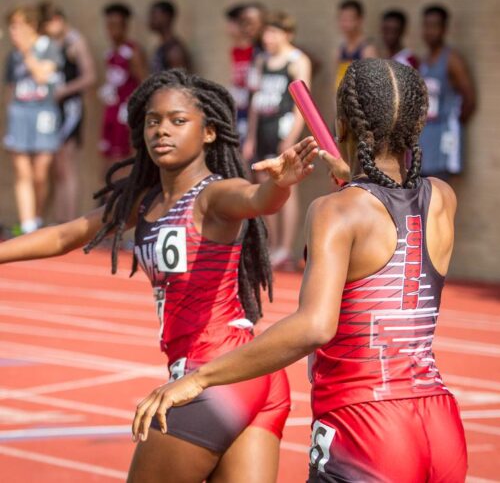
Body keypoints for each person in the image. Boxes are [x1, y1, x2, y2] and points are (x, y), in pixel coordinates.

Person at [133, 59, 467, 483]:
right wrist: (358, 181)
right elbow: (394, 210)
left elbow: (314, 326)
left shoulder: (335, 210)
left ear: (341, 125)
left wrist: (200, 379)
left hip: (365, 428)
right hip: (440, 424)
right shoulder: (443, 197)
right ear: (419, 122)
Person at [0, 69, 319, 482]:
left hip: (216, 373)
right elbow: (67, 233)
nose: (162, 131)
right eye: (153, 121)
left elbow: (257, 200)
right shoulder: (146, 202)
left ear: (208, 133)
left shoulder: (213, 195)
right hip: (250, 377)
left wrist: (279, 186)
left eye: (177, 120)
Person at [243, 11, 312, 271]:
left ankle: (285, 246)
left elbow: (302, 105)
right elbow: (254, 103)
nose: (268, 38)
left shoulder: (297, 60)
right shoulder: (261, 60)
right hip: (262, 128)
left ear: (287, 34)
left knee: (288, 186)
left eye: (274, 33)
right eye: (266, 33)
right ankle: (272, 246)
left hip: (282, 130)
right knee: (264, 182)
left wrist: (292, 137)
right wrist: (249, 136)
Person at [3, 6, 62, 234]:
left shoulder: (49, 47)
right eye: (11, 26)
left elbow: (41, 75)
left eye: (18, 25)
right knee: (22, 171)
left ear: (31, 25)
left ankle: (37, 217)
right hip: (19, 113)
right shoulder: (12, 55)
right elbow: (10, 89)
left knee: (40, 172)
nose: (13, 31)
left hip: (43, 113)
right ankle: (27, 224)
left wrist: (27, 52)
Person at [39, 1, 96, 222]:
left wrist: (64, 91)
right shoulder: (48, 43)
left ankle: (69, 220)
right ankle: (61, 219)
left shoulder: (75, 40)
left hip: (70, 108)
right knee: (57, 169)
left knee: (67, 166)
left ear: (58, 20)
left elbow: (89, 76)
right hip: (51, 111)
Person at [419, 4, 476, 178]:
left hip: (442, 137)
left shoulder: (452, 59)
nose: (430, 31)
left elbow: (469, 99)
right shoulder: (425, 60)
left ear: (444, 29)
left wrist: (451, 124)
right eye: (426, 26)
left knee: (439, 188)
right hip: (424, 137)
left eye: (435, 26)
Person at [98, 2, 147, 182]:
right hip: (111, 110)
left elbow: (144, 82)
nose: (112, 30)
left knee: (123, 158)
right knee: (107, 157)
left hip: (125, 112)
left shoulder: (132, 51)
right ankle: (108, 198)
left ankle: (122, 197)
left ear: (125, 26)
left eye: (116, 25)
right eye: (109, 25)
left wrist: (135, 108)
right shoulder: (110, 53)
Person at [225, 3, 254, 142]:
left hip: (253, 109)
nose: (228, 29)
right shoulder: (235, 51)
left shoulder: (257, 51)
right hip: (239, 107)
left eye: (231, 24)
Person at [334, 0, 377, 91]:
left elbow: (373, 84)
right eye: (342, 19)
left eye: (349, 19)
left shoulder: (368, 49)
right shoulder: (341, 49)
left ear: (359, 20)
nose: (345, 23)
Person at [149, 0, 191, 73]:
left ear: (166, 17)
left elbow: (180, 81)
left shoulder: (174, 51)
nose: (151, 20)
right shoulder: (163, 47)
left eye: (154, 16)